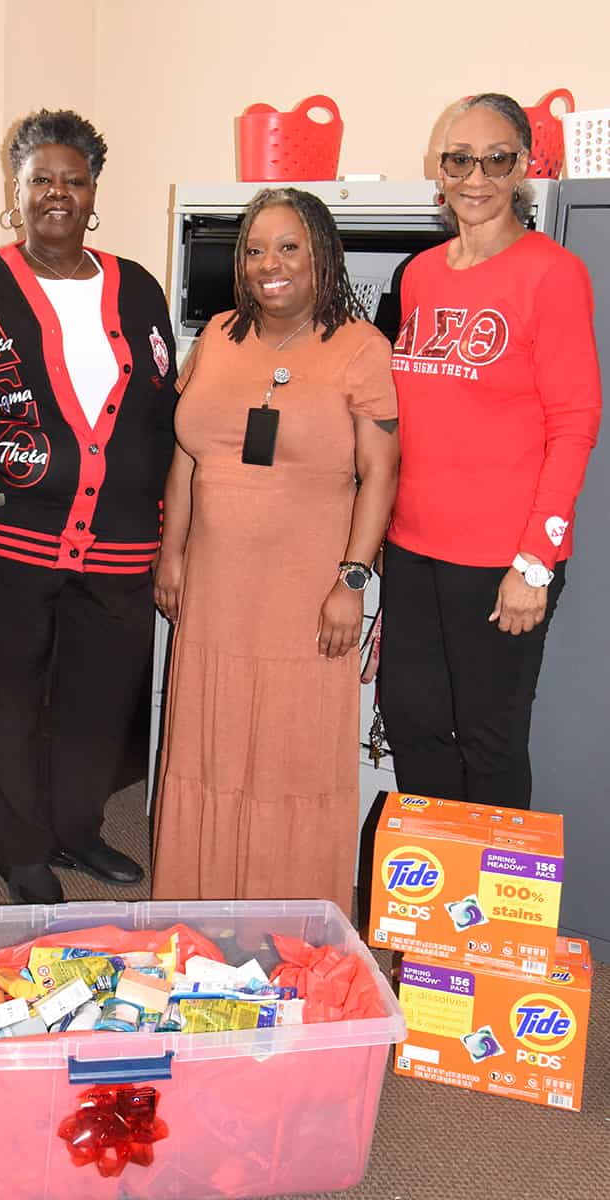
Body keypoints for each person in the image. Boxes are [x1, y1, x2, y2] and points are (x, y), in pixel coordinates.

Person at [0, 109, 177, 905]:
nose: (57, 193)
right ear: (17, 188)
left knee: (99, 701)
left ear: (94, 189)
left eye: (73, 179)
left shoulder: (136, 285)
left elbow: (161, 411)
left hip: (122, 546)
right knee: (1, 697)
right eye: (41, 179)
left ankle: (76, 829)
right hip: (10, 539)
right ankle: (19, 848)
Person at [151, 187, 399, 912]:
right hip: (217, 584)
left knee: (290, 754)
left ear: (322, 253)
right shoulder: (218, 337)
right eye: (256, 250)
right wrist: (173, 553)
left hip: (307, 590)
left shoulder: (360, 347)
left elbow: (380, 471)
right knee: (208, 742)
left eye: (289, 247)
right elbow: (188, 455)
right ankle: (198, 906)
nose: (270, 265)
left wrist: (352, 580)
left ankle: (292, 918)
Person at [378, 93, 602, 810]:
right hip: (413, 548)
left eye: (496, 159)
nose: (476, 177)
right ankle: (432, 908)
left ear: (523, 166)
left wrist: (536, 561)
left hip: (502, 559)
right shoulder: (419, 275)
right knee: (411, 723)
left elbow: (575, 422)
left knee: (488, 740)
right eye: (459, 159)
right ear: (439, 169)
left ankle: (488, 921)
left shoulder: (552, 272)